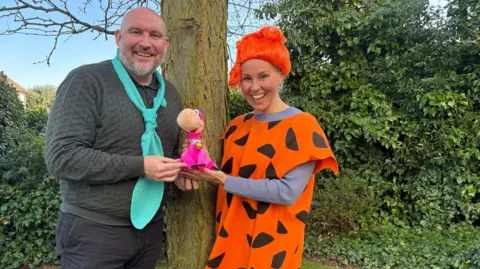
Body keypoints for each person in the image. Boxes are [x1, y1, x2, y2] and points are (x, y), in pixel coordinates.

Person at [44, 7, 198, 269]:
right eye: (136, 32)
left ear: (166, 43)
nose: (146, 43)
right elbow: (61, 158)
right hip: (93, 233)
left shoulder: (170, 94)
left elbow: (164, 157)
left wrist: (178, 173)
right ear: (119, 37)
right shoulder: (87, 80)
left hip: (150, 233)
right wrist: (141, 166)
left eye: (155, 35)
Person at [180, 26, 339, 269]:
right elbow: (229, 172)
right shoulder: (236, 126)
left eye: (263, 76)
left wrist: (222, 179)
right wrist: (200, 159)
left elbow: (287, 192)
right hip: (230, 239)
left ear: (280, 75)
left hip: (274, 247)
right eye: (247, 78)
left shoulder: (302, 125)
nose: (254, 87)